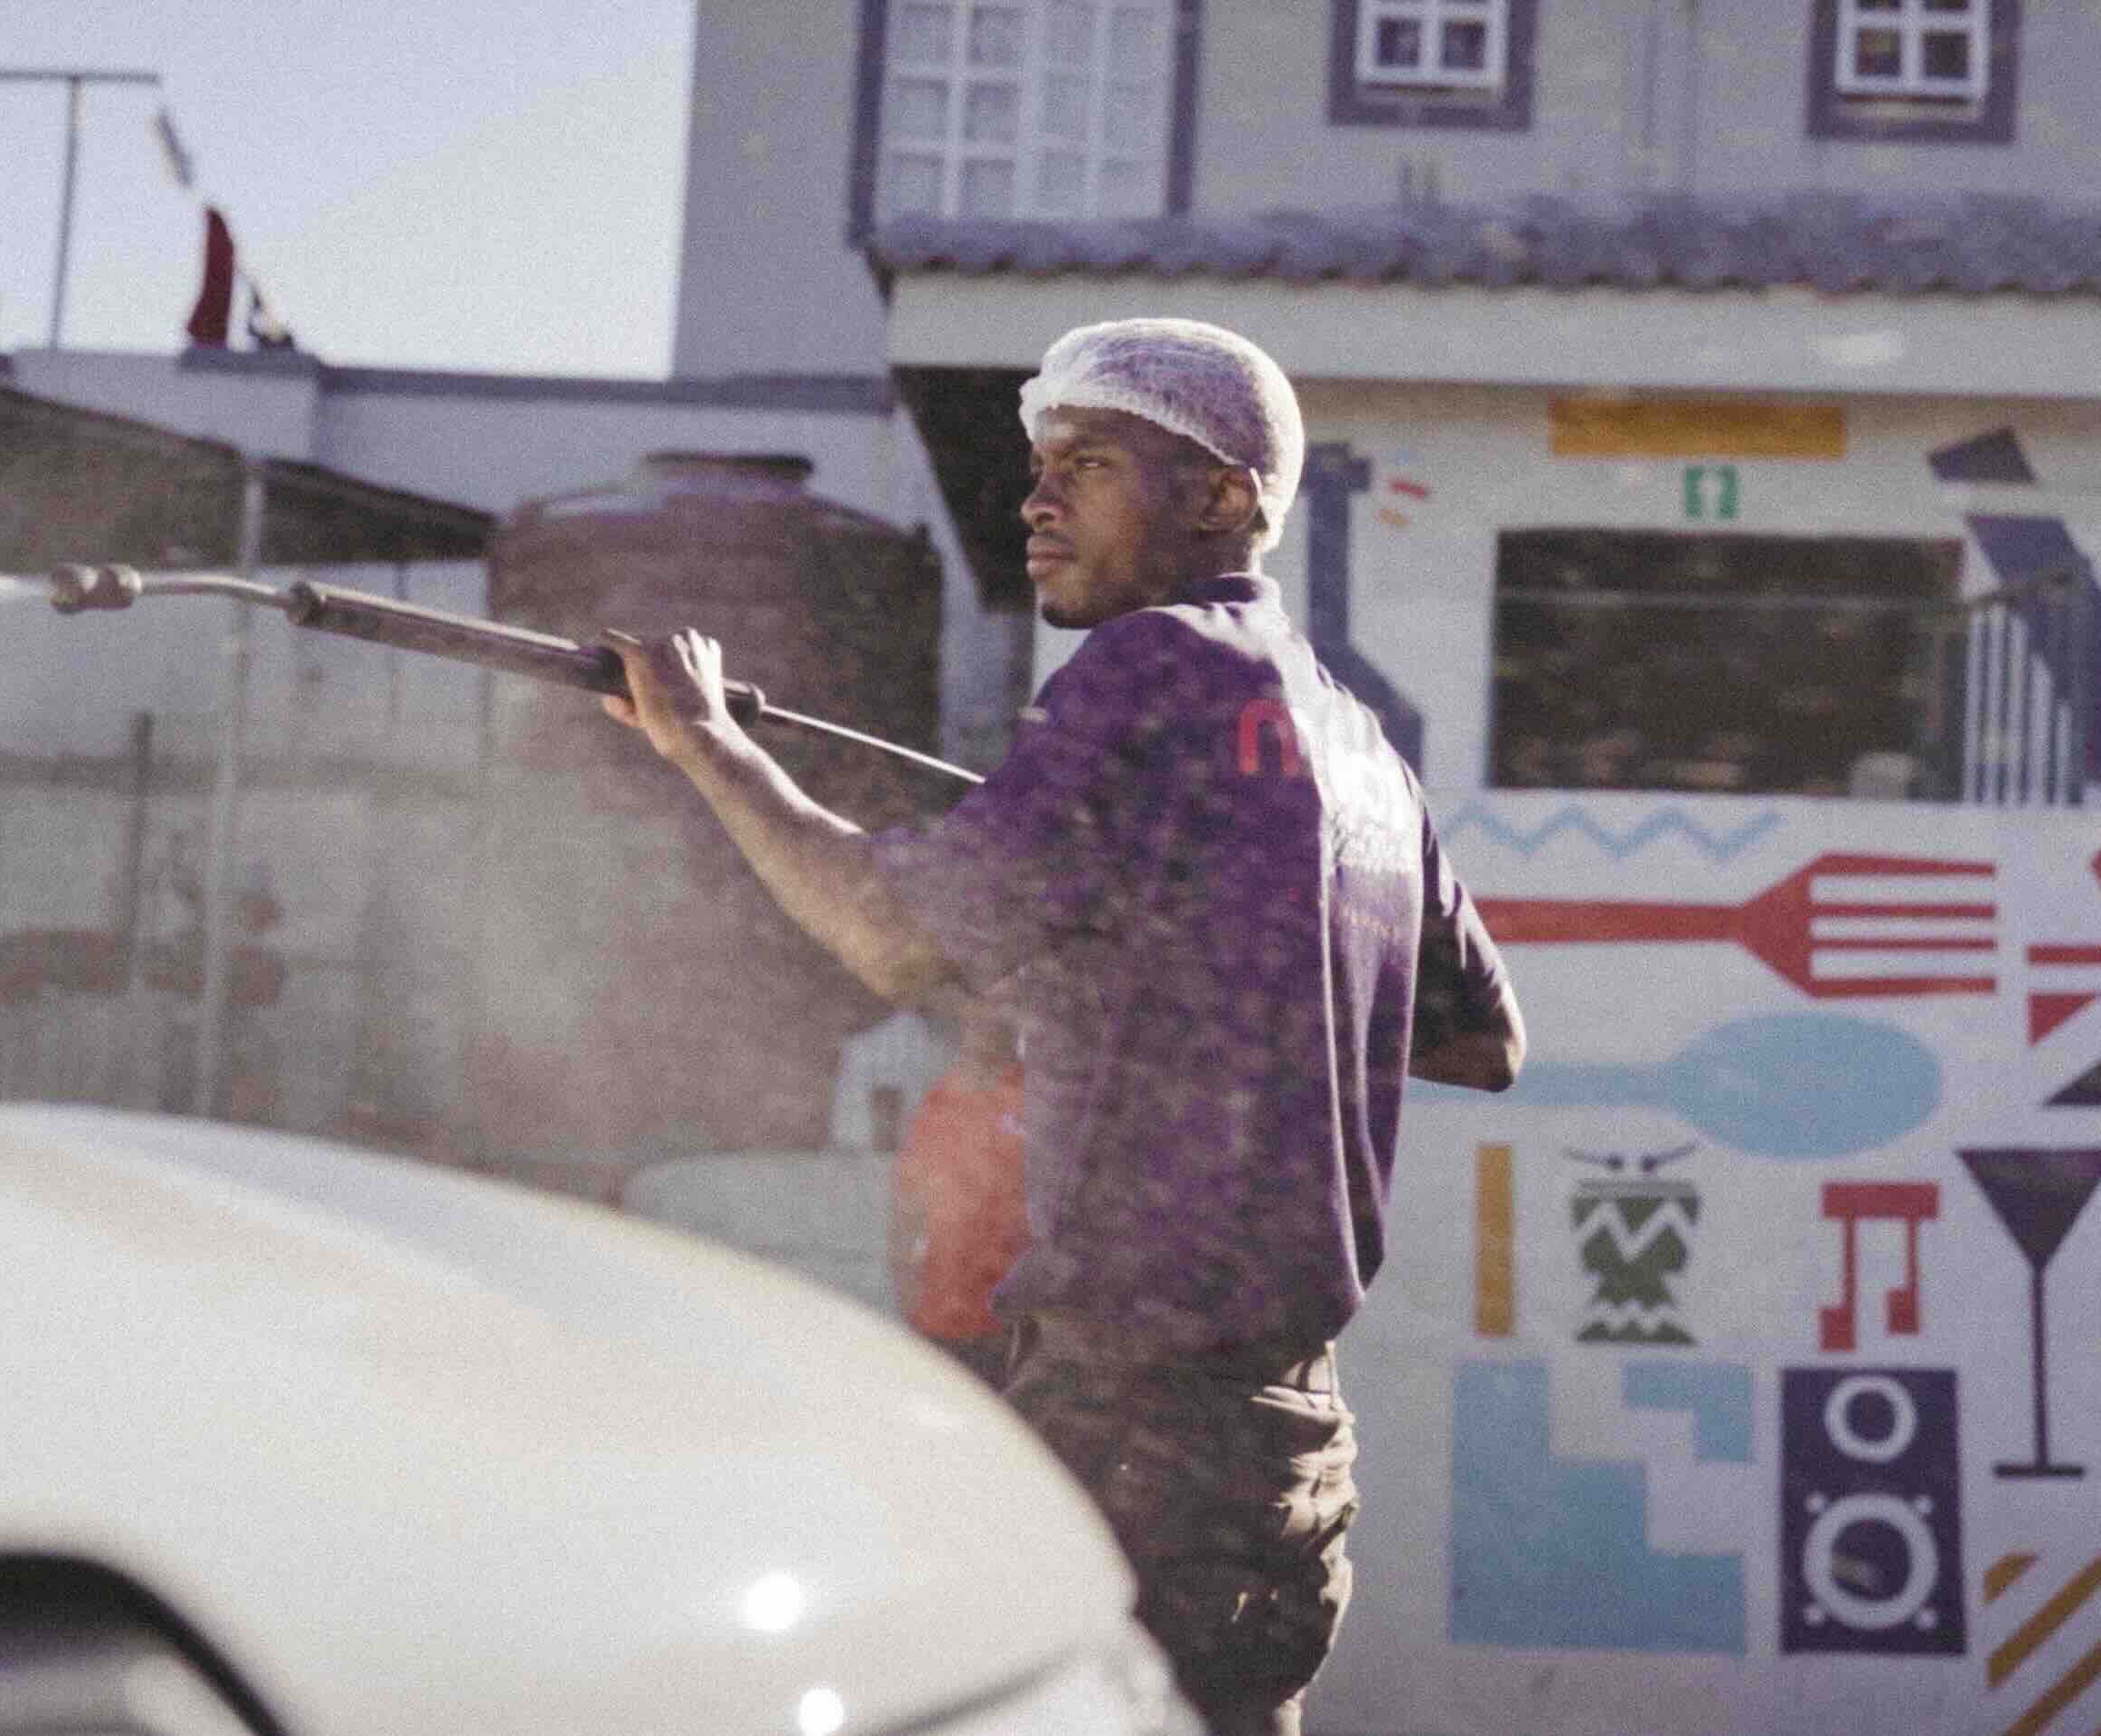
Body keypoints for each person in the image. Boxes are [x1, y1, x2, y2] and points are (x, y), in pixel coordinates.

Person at [603, 316, 1524, 1735]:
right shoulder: (1352, 737)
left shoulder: (1149, 668)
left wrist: (708, 747)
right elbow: (1478, 1038)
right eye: (1038, 467)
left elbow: (896, 931)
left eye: (1085, 465)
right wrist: (1208, 935)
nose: (1036, 501)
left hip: (1137, 1426)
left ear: (1222, 497)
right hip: (1284, 1441)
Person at [887, 1001, 1026, 1382]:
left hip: (1009, 1323)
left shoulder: (1035, 1099)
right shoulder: (940, 1103)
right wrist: (907, 1289)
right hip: (943, 1319)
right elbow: (907, 1205)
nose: (985, 1024)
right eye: (977, 1012)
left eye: (995, 1014)